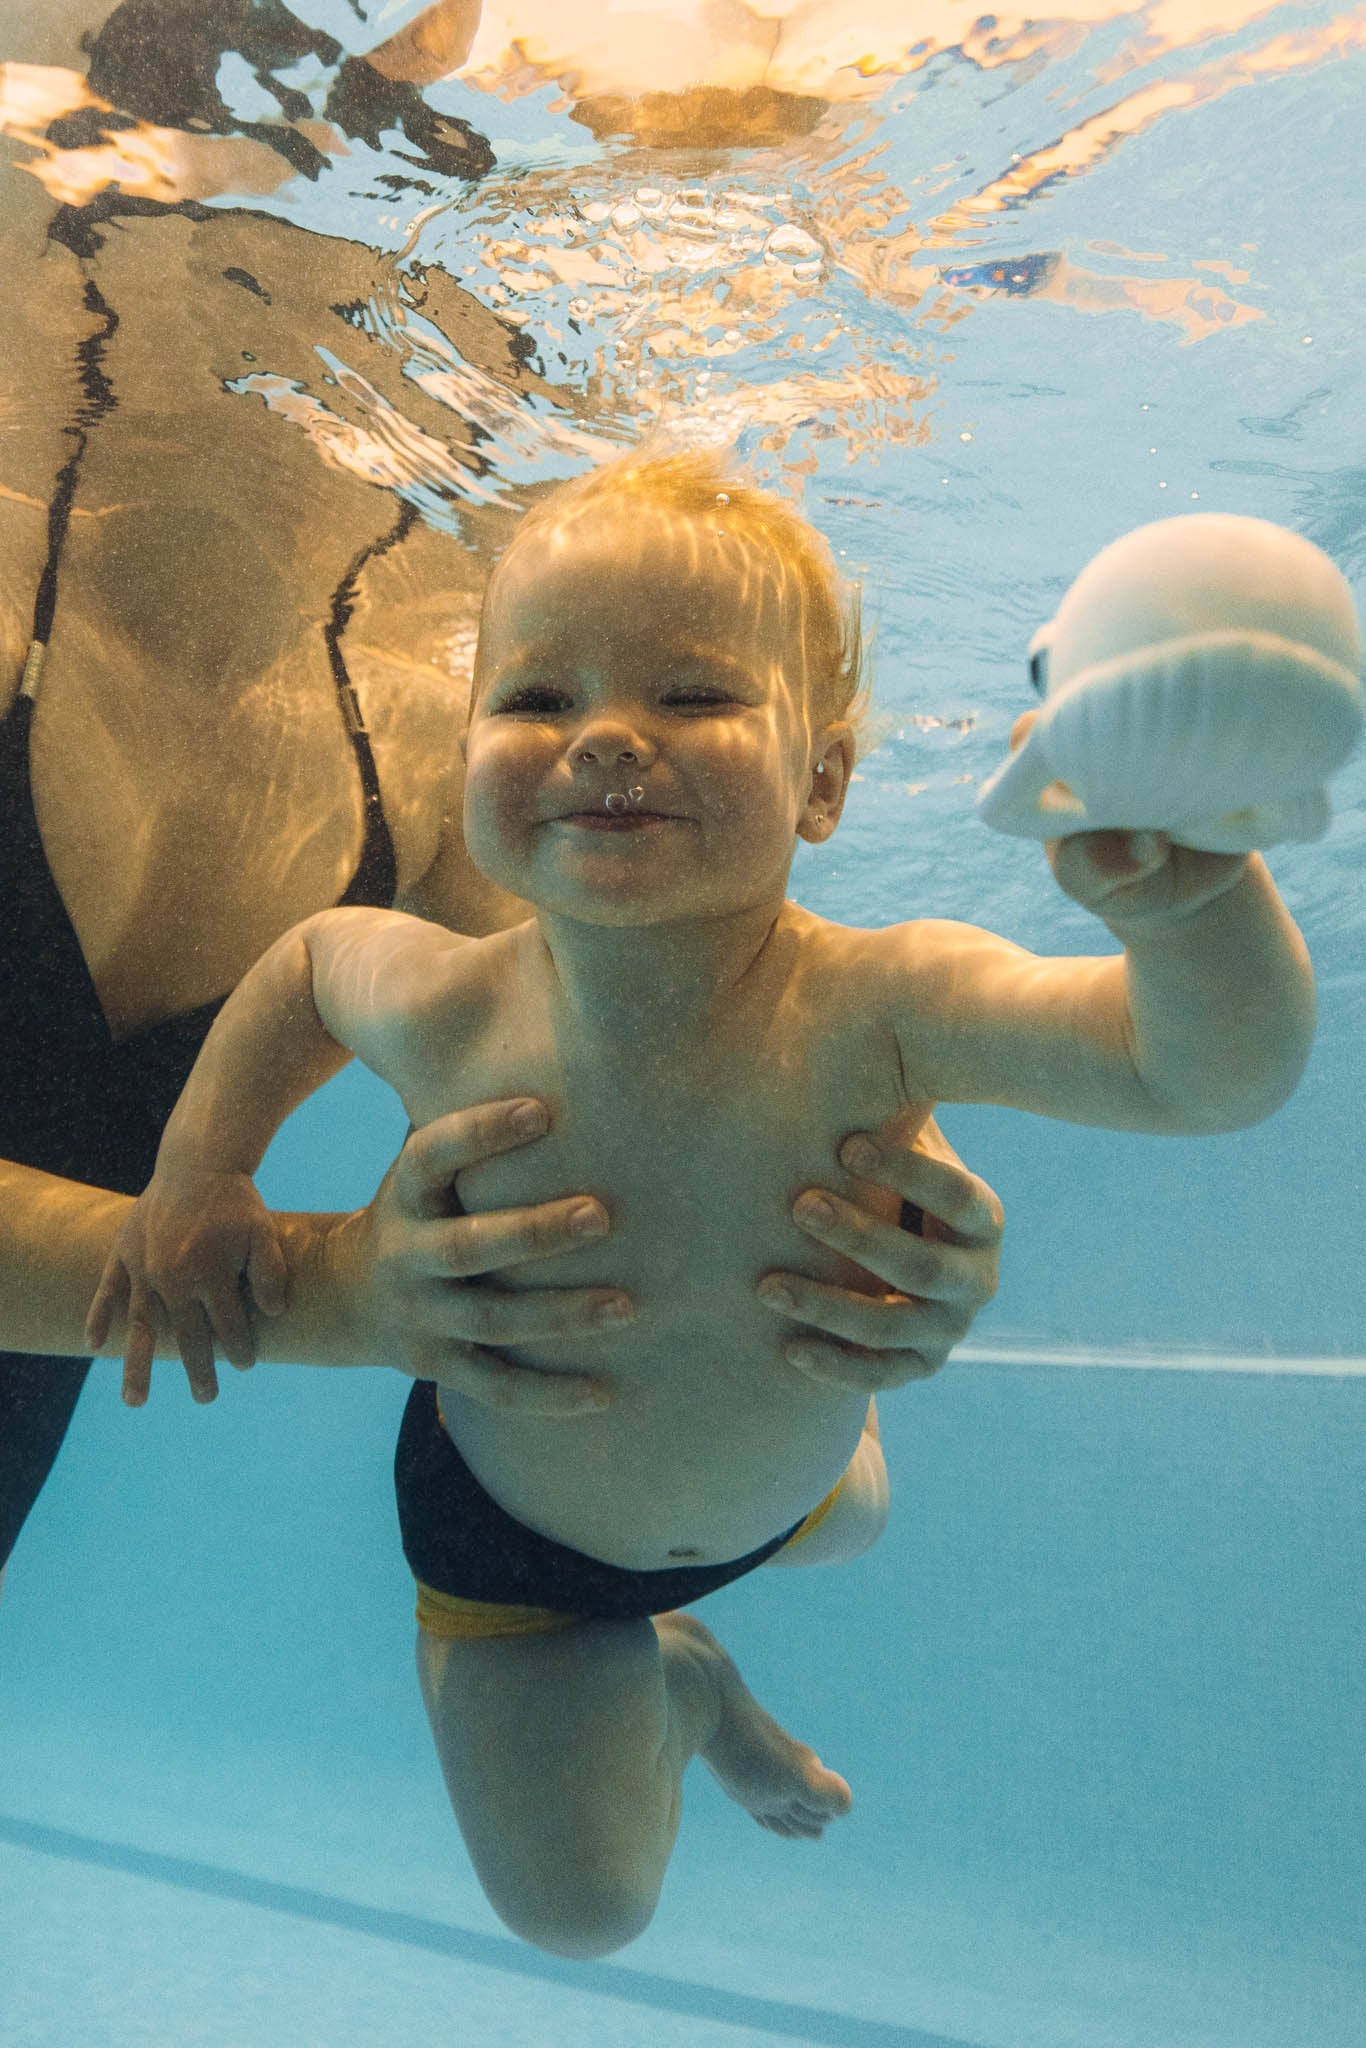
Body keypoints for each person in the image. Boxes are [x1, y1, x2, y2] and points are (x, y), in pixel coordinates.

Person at [94, 446, 1315, 1959]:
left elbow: (1194, 1075)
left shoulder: (888, 999)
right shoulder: (444, 994)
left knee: (844, 1513)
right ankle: (681, 1681)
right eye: (535, 698)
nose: (604, 737)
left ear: (822, 780)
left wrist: (1189, 903)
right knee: (583, 1916)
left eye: (690, 696)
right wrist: (197, 1179)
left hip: (783, 1489)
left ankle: (765, 1541)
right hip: (515, 1551)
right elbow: (300, 971)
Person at [0, 0, 1004, 1582]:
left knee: (819, 1515)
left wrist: (880, 1248)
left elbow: (656, 1102)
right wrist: (341, 1294)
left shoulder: (445, 738)